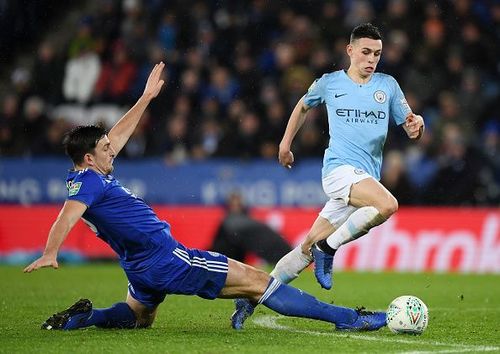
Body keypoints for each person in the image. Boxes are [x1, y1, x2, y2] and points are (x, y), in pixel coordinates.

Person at [24, 62, 386, 332]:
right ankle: (348, 318)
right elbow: (67, 215)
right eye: (104, 149)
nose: (112, 150)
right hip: (166, 258)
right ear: (89, 158)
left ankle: (87, 318)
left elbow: (117, 135)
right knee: (259, 282)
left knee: (138, 317)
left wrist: (146, 97)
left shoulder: (87, 173)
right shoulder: (89, 182)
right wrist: (51, 252)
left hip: (138, 265)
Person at [232, 23, 424, 329]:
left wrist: (418, 127)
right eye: (365, 52)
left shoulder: (388, 86)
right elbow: (302, 106)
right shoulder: (330, 83)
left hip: (364, 178)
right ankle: (329, 248)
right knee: (388, 205)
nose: (371, 59)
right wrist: (285, 144)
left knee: (305, 248)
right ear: (350, 51)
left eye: (377, 53)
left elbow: (411, 125)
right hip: (338, 171)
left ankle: (250, 298)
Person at [211, 191, 291, 264]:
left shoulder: (248, 224)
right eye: (233, 205)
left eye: (237, 205)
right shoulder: (226, 225)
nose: (235, 208)